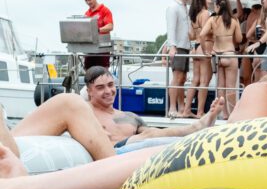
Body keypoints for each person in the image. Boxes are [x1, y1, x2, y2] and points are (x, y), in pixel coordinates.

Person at [0, 0, 267, 189]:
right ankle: (21, 188)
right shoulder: (266, 94)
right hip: (197, 161)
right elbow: (238, 159)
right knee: (143, 156)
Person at [0, 67, 223, 164]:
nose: (108, 92)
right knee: (144, 138)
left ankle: (200, 130)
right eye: (101, 88)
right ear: (89, 90)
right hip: (117, 150)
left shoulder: (128, 115)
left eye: (111, 85)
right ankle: (197, 127)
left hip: (137, 144)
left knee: (151, 134)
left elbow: (154, 132)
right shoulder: (83, 111)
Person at [200, 0, 242, 119]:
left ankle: (223, 114)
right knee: (231, 88)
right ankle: (233, 114)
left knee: (220, 87)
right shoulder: (234, 20)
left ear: (218, 6)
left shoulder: (212, 20)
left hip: (216, 55)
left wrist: (205, 51)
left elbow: (202, 34)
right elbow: (239, 39)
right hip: (229, 54)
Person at [182, 0, 212, 118]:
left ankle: (186, 110)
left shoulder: (194, 15)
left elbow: (192, 35)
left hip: (195, 48)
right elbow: (203, 34)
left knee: (195, 81)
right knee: (204, 82)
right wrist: (206, 50)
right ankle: (200, 112)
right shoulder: (205, 14)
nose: (210, 1)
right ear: (203, 0)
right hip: (203, 48)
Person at [166, 0, 192, 117]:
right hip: (178, 47)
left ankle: (182, 108)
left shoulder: (185, 7)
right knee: (176, 78)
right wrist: (172, 47)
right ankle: (172, 108)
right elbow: (171, 28)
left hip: (186, 47)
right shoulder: (173, 7)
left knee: (182, 79)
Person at [82, 0, 114, 71]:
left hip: (102, 48)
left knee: (102, 74)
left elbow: (110, 26)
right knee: (88, 72)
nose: (88, 2)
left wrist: (96, 30)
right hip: (90, 48)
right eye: (86, 1)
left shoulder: (105, 10)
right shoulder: (87, 14)